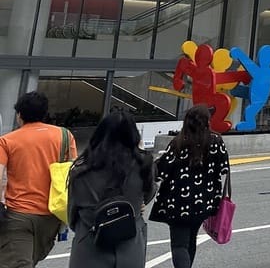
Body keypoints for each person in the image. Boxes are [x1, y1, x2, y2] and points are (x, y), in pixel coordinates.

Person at [0, 90, 78, 268]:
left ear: (19, 115)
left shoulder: (6, 141)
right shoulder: (65, 136)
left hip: (18, 214)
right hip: (52, 215)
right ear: (45, 113)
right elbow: (72, 172)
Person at [67, 111, 155, 267]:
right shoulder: (144, 165)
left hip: (90, 244)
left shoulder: (81, 171)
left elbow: (72, 215)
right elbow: (148, 194)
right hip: (130, 244)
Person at [150, 106, 230, 268]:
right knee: (191, 239)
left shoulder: (179, 143)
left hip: (177, 203)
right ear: (207, 121)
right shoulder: (216, 141)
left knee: (179, 244)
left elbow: (160, 171)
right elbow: (224, 168)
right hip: (204, 202)